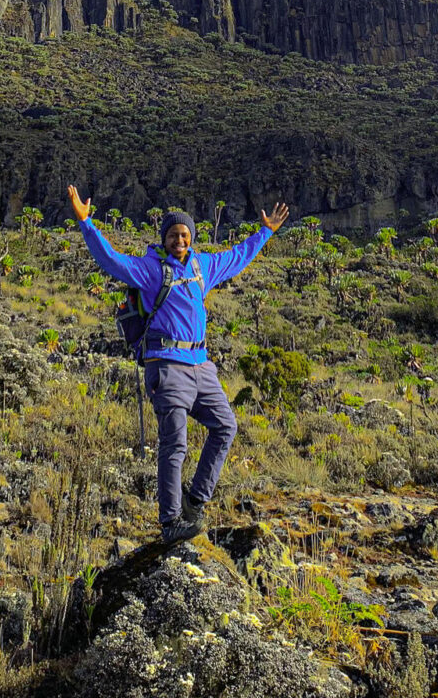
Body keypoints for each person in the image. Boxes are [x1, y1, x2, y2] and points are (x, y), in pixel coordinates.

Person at [67, 185, 288, 542]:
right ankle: (170, 522)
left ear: (192, 237)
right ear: (164, 238)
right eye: (173, 235)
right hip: (167, 366)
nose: (179, 240)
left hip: (202, 366)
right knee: (175, 445)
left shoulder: (204, 267)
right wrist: (86, 223)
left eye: (184, 234)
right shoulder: (150, 270)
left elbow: (238, 255)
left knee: (225, 426)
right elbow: (110, 260)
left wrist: (266, 232)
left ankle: (195, 500)